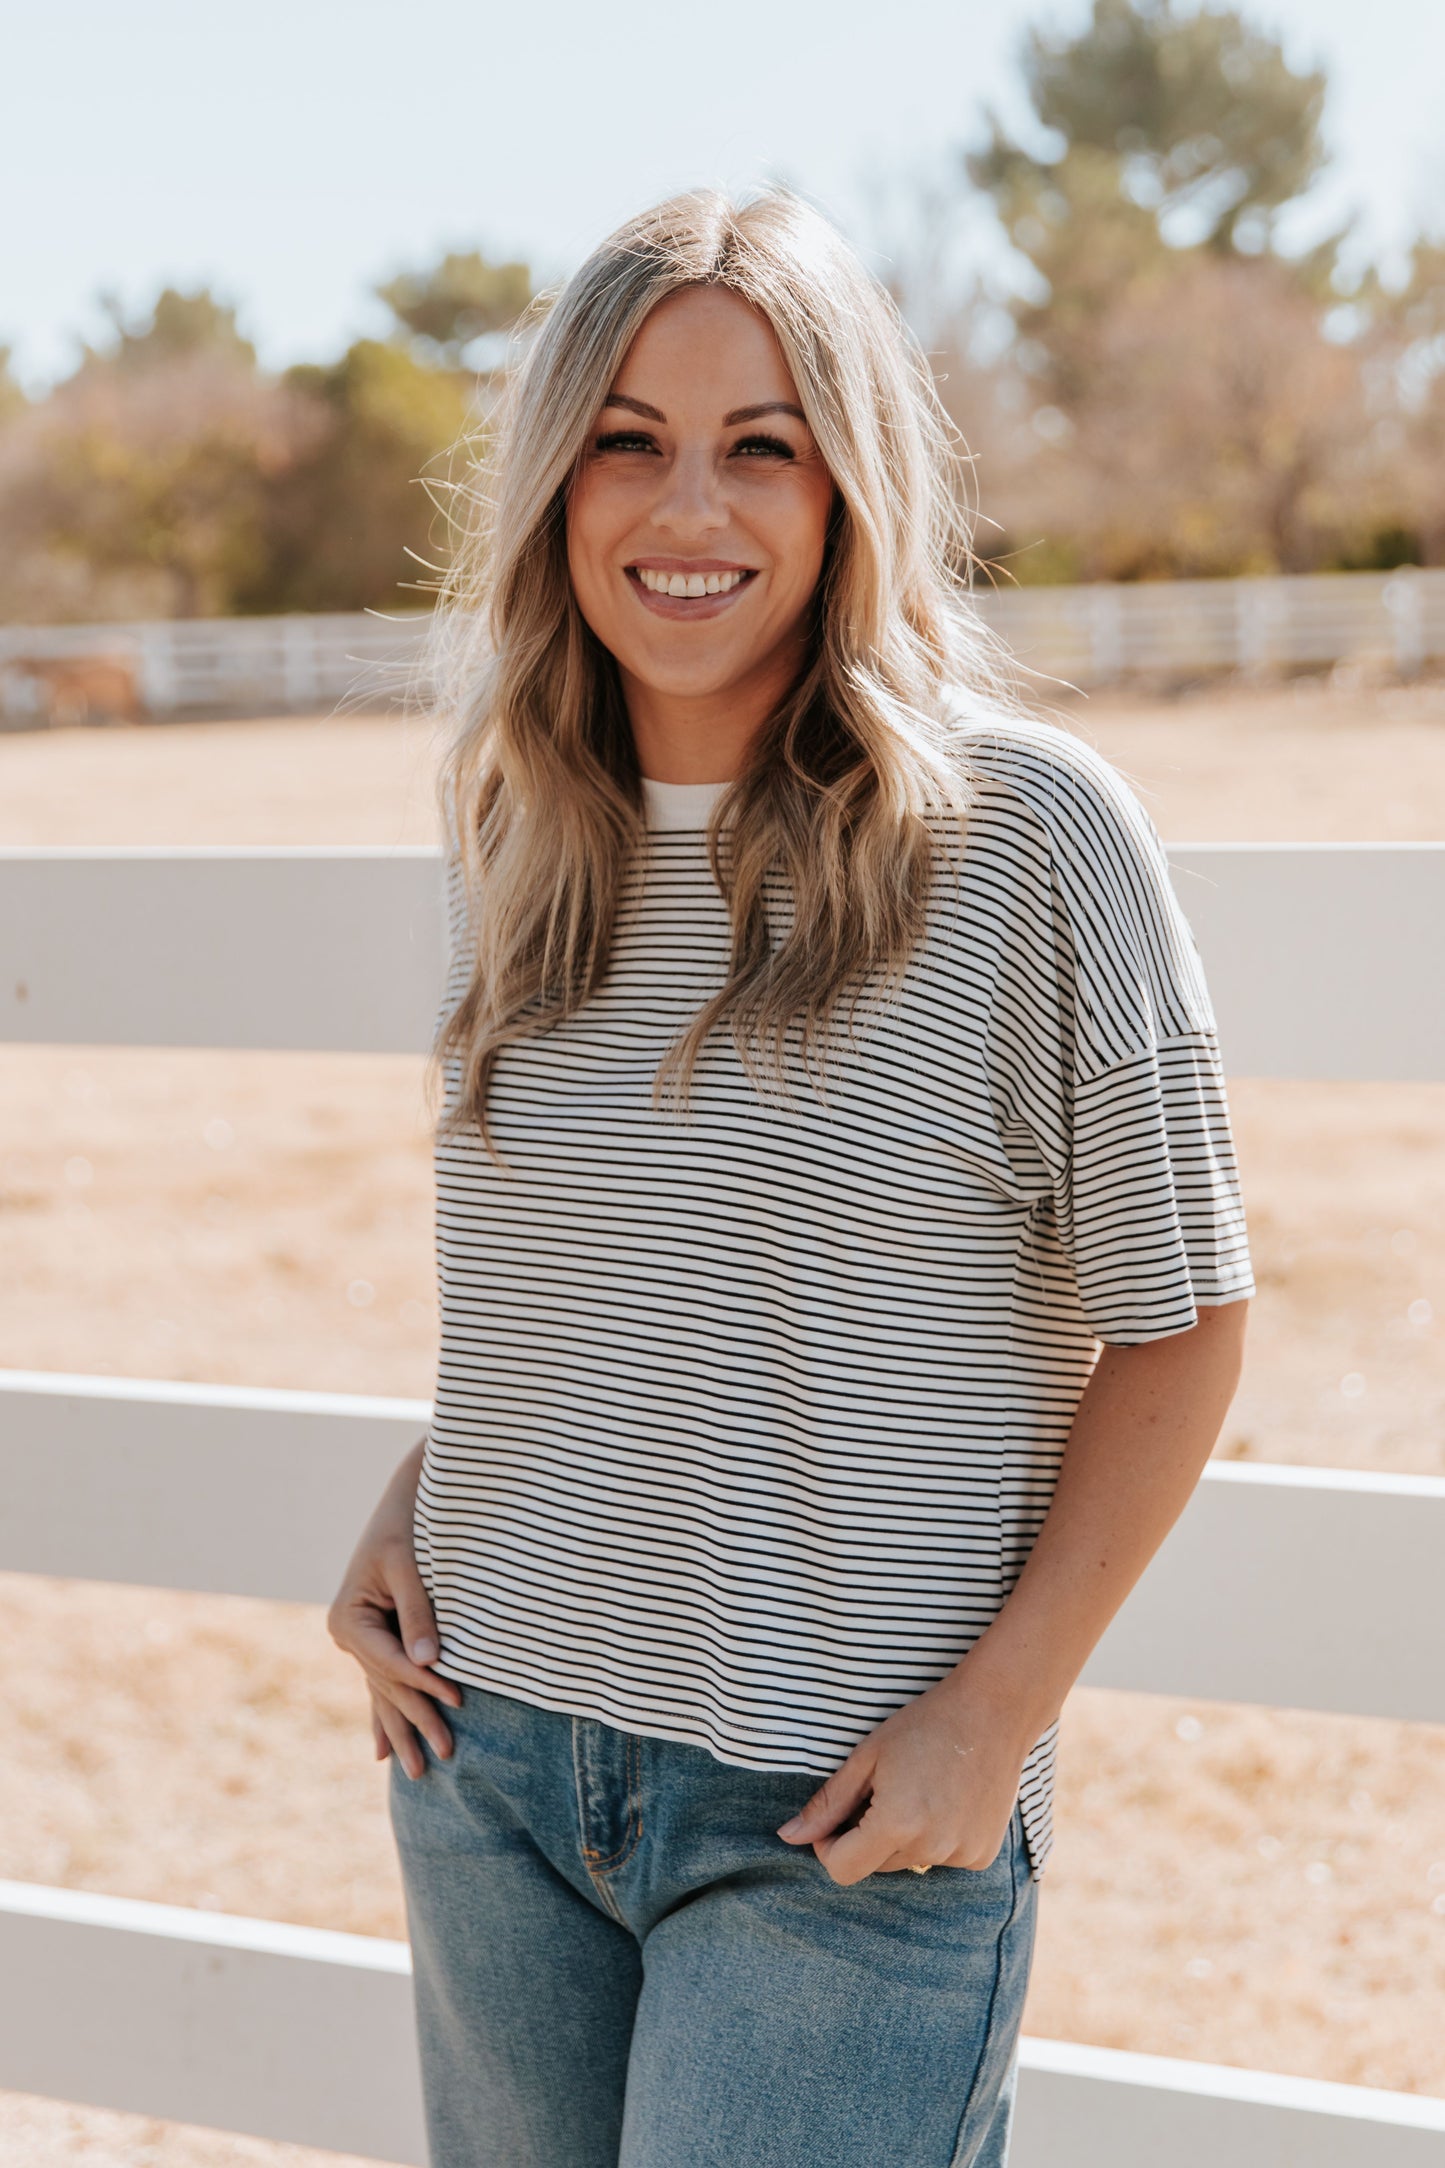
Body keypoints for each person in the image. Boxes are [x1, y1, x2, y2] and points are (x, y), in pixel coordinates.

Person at [328, 187, 1254, 2168]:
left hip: (843, 1820)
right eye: (627, 439)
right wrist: (427, 1494)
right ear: (554, 481)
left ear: (851, 491)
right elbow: (597, 1261)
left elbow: (1186, 1327)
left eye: (764, 444)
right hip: (493, 1767)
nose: (691, 508)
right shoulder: (523, 831)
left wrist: (993, 1718)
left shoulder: (1026, 841)